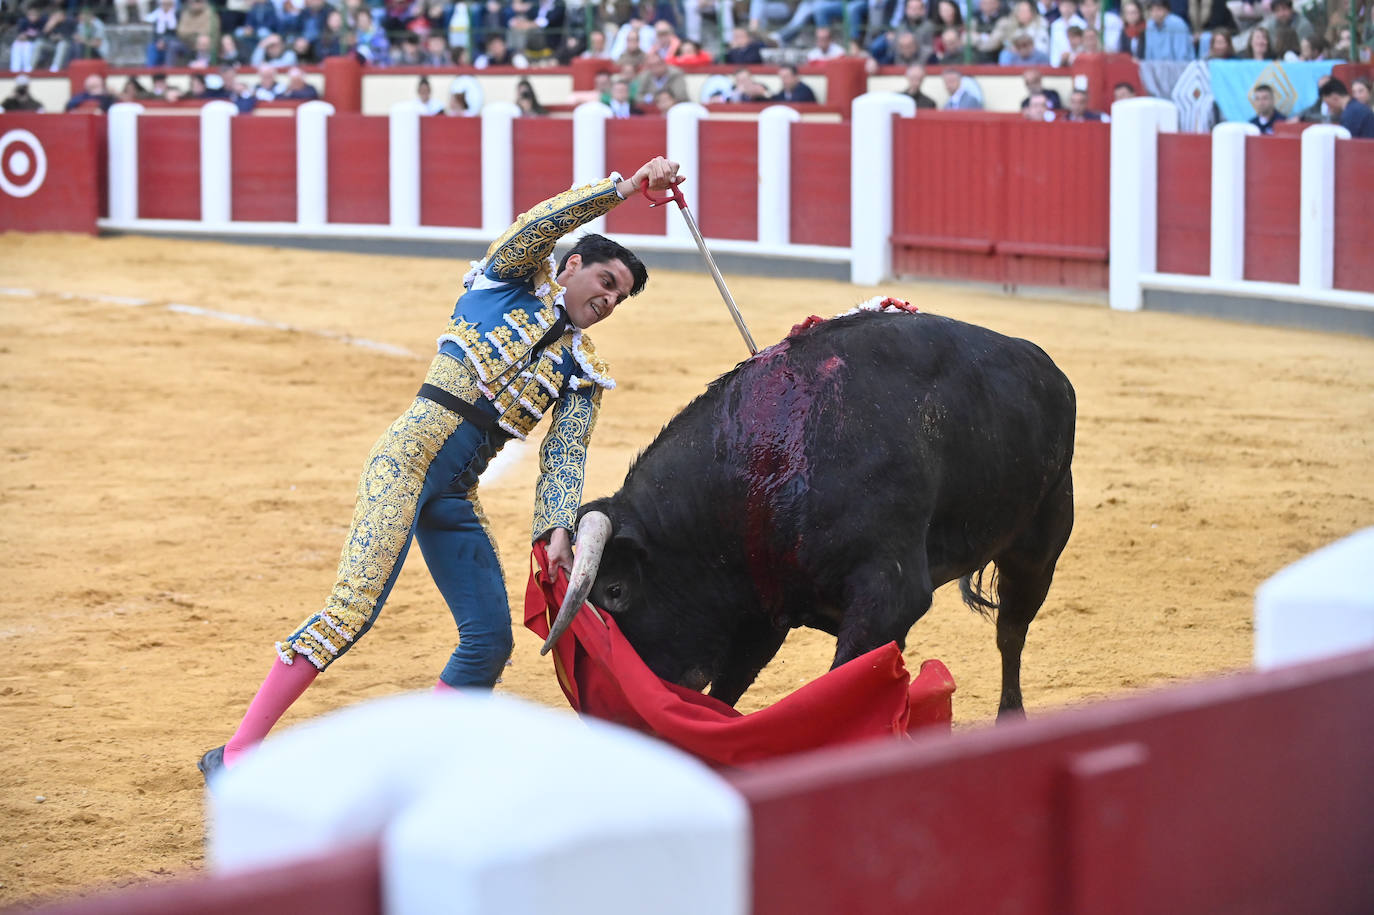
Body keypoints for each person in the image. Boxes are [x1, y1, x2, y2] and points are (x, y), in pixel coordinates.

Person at [198, 156, 681, 780]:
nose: (610, 300)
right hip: (403, 463)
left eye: (620, 296)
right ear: (569, 266)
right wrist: (624, 188)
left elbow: (564, 458)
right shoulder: (504, 283)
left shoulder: (581, 371)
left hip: (453, 492)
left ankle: (418, 773)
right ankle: (236, 756)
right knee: (351, 610)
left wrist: (556, 528)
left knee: (488, 639)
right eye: (605, 282)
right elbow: (541, 222)